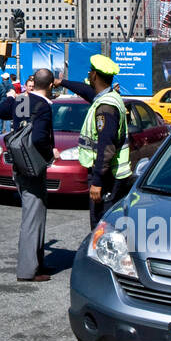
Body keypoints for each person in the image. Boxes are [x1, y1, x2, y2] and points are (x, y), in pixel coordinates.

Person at [54, 55, 133, 227]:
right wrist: (61, 82)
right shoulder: (108, 96)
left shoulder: (105, 107)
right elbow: (85, 90)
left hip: (107, 178)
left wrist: (97, 181)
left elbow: (107, 147)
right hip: (109, 176)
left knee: (102, 225)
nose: (88, 75)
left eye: (90, 72)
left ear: (95, 75)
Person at [0, 68, 56, 282]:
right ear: (50, 86)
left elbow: (2, 112)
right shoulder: (43, 106)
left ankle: (36, 262)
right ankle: (28, 270)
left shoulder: (22, 100)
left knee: (34, 215)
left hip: (18, 163)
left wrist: (11, 96)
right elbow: (40, 137)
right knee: (32, 217)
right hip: (33, 165)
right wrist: (51, 153)